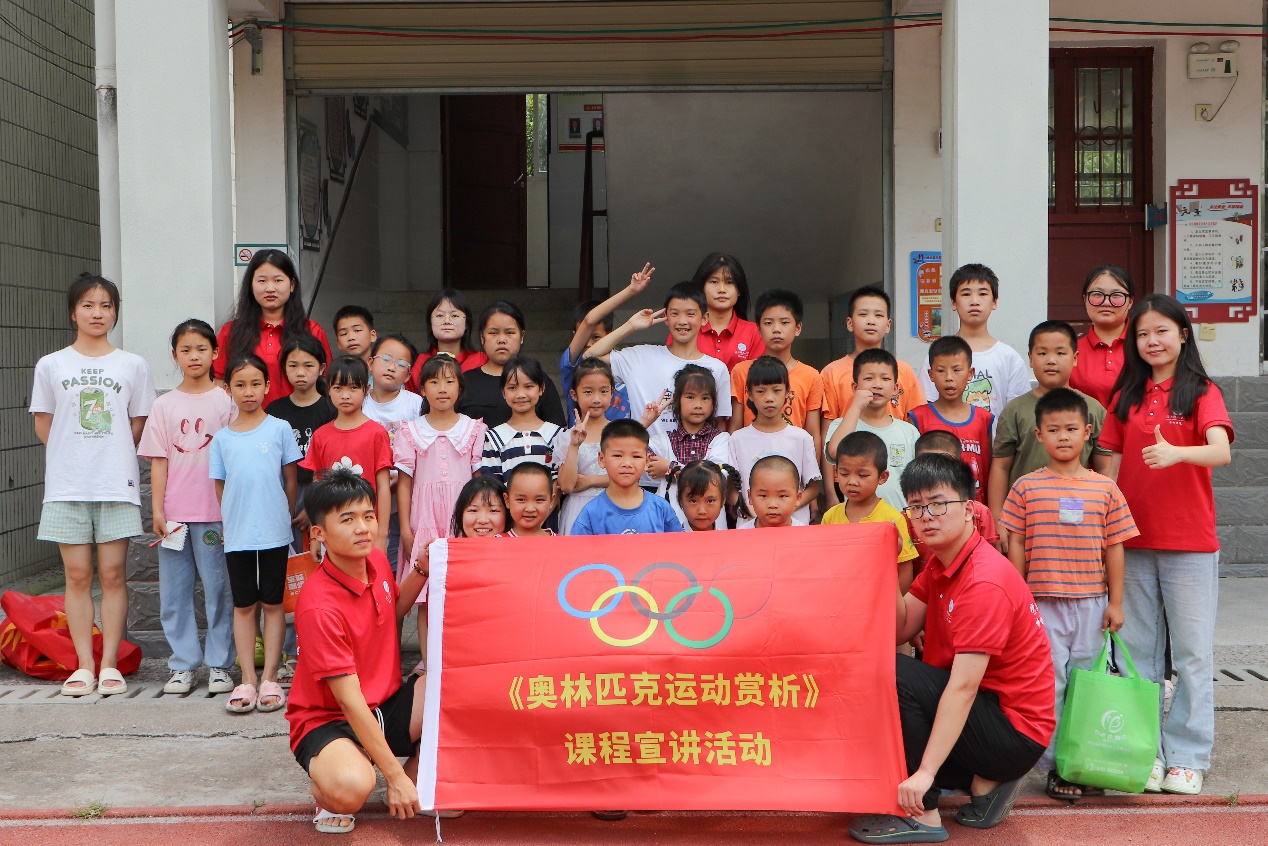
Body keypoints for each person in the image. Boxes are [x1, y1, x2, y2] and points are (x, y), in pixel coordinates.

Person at [847, 453, 1054, 844]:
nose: (927, 516)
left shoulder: (984, 581)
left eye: (939, 504)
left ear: (970, 509)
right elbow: (900, 629)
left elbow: (963, 689)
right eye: (916, 507)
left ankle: (924, 813)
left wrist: (925, 775)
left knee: (894, 674)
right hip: (988, 715)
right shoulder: (942, 563)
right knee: (886, 667)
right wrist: (885, 562)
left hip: (1013, 732)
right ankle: (983, 781)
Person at [1099, 294, 1233, 796]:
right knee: (1137, 654)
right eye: (1142, 334)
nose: (1152, 341)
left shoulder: (1201, 391)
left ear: (1182, 334)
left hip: (1190, 542)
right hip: (1131, 541)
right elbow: (1108, 463)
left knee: (1193, 653)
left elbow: (1221, 451)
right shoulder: (1126, 394)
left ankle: (1188, 757)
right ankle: (1145, 753)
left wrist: (1177, 453)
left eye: (1161, 331)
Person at [998, 388, 1139, 801]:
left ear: (1088, 432)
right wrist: (1021, 598)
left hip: (1093, 604)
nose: (1063, 436)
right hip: (1042, 603)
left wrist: (1116, 602)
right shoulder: (1025, 487)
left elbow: (1115, 546)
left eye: (1071, 429)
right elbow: (1016, 542)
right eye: (1054, 429)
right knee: (1051, 684)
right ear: (1039, 435)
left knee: (1087, 684)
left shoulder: (1105, 489)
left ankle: (1084, 760)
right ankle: (1057, 765)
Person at [285, 467, 430, 835]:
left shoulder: (376, 561)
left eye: (368, 516)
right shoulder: (319, 606)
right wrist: (393, 777)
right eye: (347, 519)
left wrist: (421, 570)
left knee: (457, 689)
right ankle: (329, 785)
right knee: (350, 789)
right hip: (330, 719)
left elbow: (391, 611)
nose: (363, 528)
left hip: (385, 704)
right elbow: (349, 702)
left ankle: (417, 775)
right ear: (318, 533)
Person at [31, 273, 155, 697]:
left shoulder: (132, 365)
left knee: (114, 574)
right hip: (66, 486)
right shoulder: (51, 365)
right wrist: (75, 453)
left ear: (115, 313)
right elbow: (44, 425)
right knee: (78, 575)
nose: (97, 313)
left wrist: (106, 451)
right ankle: (83, 665)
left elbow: (138, 424)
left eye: (105, 305)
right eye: (88, 305)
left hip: (115, 483)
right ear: (73, 312)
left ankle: (109, 664)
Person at [137, 320, 236, 696]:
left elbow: (233, 459)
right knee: (174, 593)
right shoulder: (163, 405)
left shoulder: (226, 402)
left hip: (215, 514)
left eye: (201, 348)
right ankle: (182, 665)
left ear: (215, 353)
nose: (194, 356)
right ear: (174, 355)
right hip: (175, 519)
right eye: (185, 349)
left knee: (219, 590)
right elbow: (158, 462)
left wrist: (231, 511)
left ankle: (220, 664)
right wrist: (158, 512)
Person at [209, 355, 301, 714]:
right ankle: (247, 678)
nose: (248, 391)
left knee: (274, 603)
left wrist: (283, 516)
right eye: (240, 385)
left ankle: (271, 678)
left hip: (275, 532)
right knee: (244, 604)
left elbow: (290, 480)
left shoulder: (280, 428)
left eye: (255, 384)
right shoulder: (221, 439)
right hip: (238, 534)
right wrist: (232, 519)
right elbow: (221, 486)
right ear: (228, 389)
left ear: (267, 386)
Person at [988, 321, 1112, 554]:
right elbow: (1001, 467)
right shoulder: (1015, 410)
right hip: (1024, 522)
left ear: (1075, 358)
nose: (1051, 360)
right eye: (1042, 353)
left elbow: (1106, 468)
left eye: (1060, 353)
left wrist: (1104, 515)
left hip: (1078, 520)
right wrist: (997, 520)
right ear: (1030, 358)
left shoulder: (1093, 409)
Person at [587, 280, 731, 441]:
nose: (682, 321)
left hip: (696, 456)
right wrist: (631, 326)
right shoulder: (639, 356)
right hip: (642, 455)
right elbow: (590, 356)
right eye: (675, 314)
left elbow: (719, 425)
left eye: (690, 314)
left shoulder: (717, 368)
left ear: (704, 318)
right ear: (665, 317)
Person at [214, 249, 331, 409]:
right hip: (246, 420)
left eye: (278, 280)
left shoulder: (312, 331)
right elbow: (221, 384)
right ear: (251, 285)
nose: (270, 288)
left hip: (300, 421)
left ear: (292, 285)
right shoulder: (230, 332)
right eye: (262, 281)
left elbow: (326, 382)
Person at [301, 356, 392, 552]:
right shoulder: (321, 435)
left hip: (367, 531)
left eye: (353, 388)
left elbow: (383, 487)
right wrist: (314, 534)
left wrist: (382, 535)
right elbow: (317, 488)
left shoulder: (376, 433)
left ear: (366, 389)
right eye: (338, 388)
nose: (345, 395)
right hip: (332, 532)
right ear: (328, 390)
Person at [917, 263, 1030, 420]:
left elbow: (1018, 415)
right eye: (966, 294)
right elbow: (926, 408)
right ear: (953, 302)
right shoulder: (938, 356)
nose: (974, 301)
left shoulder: (1009, 358)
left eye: (983, 294)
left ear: (994, 302)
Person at [728, 288, 824, 460]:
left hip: (793, 463)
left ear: (798, 328)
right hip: (750, 461)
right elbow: (736, 425)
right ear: (758, 329)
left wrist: (811, 472)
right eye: (768, 323)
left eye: (785, 322)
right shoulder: (741, 371)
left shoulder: (811, 375)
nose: (776, 329)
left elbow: (813, 433)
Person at [824, 348, 921, 513]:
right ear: (855, 387)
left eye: (885, 378)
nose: (877, 384)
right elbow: (835, 452)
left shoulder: (909, 431)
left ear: (895, 388)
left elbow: (918, 480)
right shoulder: (842, 425)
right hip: (859, 521)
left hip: (900, 519)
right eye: (869, 378)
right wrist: (856, 405)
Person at [821, 431, 918, 593]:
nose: (852, 481)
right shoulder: (830, 516)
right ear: (836, 473)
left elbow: (905, 568)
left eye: (863, 475)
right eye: (844, 474)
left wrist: (896, 604)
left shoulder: (892, 519)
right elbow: (823, 562)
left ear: (882, 477)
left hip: (879, 597)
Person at [728, 356, 822, 524]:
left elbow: (813, 488)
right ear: (749, 394)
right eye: (761, 391)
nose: (769, 398)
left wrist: (787, 507)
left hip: (793, 527)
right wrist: (749, 510)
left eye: (776, 390)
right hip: (751, 527)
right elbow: (730, 488)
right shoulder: (737, 440)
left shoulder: (801, 438)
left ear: (787, 392)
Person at [267, 335, 338, 551]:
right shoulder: (274, 411)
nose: (300, 372)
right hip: (281, 491)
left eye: (308, 365)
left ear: (322, 368)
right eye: (293, 365)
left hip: (320, 490)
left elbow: (332, 462)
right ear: (284, 369)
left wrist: (312, 507)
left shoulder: (331, 410)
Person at [821, 285, 926, 425]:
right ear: (850, 323)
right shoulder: (831, 373)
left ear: (888, 325)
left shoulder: (904, 371)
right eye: (863, 314)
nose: (871, 321)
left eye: (878, 315)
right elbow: (828, 431)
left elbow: (917, 422)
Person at [561, 266, 653, 424]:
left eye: (596, 337)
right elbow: (589, 321)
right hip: (581, 438)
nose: (589, 343)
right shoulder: (573, 365)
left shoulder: (625, 363)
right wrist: (631, 290)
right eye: (584, 337)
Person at [647, 364, 732, 531]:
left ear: (713, 403)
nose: (698, 405)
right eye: (690, 397)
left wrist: (671, 468)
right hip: (669, 528)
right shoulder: (664, 441)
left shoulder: (720, 439)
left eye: (705, 398)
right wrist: (646, 421)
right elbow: (630, 450)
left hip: (712, 528)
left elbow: (716, 476)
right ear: (677, 400)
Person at [457, 301, 567, 428]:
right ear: (482, 337)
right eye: (493, 333)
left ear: (522, 336)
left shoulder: (537, 379)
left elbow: (557, 432)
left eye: (509, 332)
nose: (501, 340)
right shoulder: (465, 382)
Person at [909, 336, 992, 502]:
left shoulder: (984, 419)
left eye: (957, 370)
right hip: (933, 508)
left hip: (974, 509)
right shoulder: (917, 418)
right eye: (941, 371)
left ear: (970, 373)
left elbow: (988, 469)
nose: (949, 377)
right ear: (931, 374)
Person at [364, 334, 423, 568]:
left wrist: (401, 477)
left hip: (403, 499)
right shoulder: (358, 401)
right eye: (386, 359)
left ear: (408, 375)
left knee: (394, 562)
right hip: (366, 497)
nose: (391, 367)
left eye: (400, 364)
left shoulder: (416, 405)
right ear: (370, 363)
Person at [908, 432, 999, 580]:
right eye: (927, 464)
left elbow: (991, 561)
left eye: (938, 504)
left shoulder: (980, 512)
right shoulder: (910, 516)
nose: (926, 516)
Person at [570, 419, 683, 536]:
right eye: (618, 455)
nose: (627, 463)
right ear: (602, 459)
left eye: (636, 456)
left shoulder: (661, 508)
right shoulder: (591, 513)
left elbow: (679, 545)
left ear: (647, 461)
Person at [476, 356, 566, 484]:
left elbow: (560, 483)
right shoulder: (494, 438)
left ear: (541, 389)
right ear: (503, 392)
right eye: (512, 388)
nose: (521, 395)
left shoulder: (557, 436)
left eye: (528, 386)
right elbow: (492, 485)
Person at [558, 358, 616, 534]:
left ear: (612, 392)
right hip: (577, 510)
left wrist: (591, 481)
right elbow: (566, 486)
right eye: (588, 392)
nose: (596, 399)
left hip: (614, 506)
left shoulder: (619, 432)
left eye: (603, 391)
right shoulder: (565, 437)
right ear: (574, 395)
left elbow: (631, 476)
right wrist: (574, 445)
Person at [1069, 265, 1134, 409]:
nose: (1106, 302)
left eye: (1116, 295)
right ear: (1085, 299)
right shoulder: (1070, 351)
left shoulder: (1146, 346)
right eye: (1097, 294)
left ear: (1130, 302)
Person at [685, 252, 764, 368]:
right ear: (701, 288)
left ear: (739, 290)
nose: (722, 289)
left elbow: (760, 377)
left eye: (729, 282)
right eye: (714, 282)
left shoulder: (755, 333)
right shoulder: (684, 328)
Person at [406, 289, 488, 393]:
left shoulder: (483, 360)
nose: (447, 321)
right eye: (440, 315)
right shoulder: (417, 363)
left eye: (454, 315)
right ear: (430, 322)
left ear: (466, 323)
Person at [739, 456, 805, 529]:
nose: (772, 505)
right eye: (763, 496)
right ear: (750, 497)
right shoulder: (741, 534)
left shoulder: (805, 533)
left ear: (797, 498)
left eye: (782, 496)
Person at [675, 460, 739, 532]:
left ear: (723, 500)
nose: (702, 511)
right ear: (680, 500)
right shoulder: (672, 538)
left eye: (710, 501)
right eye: (693, 501)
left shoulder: (728, 538)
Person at [502, 462, 558, 537]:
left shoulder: (561, 542)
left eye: (539, 500)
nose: (530, 509)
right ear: (507, 500)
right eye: (521, 500)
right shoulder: (497, 541)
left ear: (551, 501)